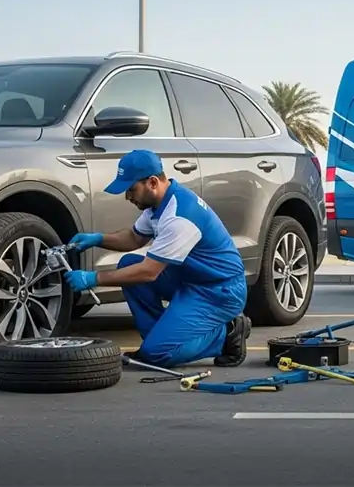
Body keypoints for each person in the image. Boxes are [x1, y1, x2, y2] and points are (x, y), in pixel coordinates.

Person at [61, 149, 252, 369]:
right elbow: (134, 238)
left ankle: (228, 332)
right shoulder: (160, 203)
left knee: (158, 354)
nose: (128, 197)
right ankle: (158, 338)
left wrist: (93, 278)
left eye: (131, 189)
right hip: (191, 279)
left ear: (152, 182)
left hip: (219, 291)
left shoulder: (179, 216)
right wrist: (97, 239)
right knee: (127, 264)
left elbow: (149, 272)